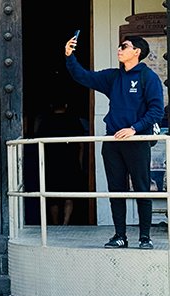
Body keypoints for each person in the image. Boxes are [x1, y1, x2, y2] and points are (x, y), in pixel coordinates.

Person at [65, 34, 164, 249]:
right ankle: (120, 236)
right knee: (115, 189)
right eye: (119, 46)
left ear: (137, 51)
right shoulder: (114, 77)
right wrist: (70, 56)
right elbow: (83, 76)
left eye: (124, 46)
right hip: (112, 141)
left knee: (142, 189)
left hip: (138, 142)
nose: (119, 49)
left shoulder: (149, 78)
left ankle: (145, 237)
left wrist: (134, 129)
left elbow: (157, 111)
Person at [33, 102, 88, 225]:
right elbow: (81, 144)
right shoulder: (73, 121)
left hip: (51, 162)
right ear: (66, 105)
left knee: (53, 196)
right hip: (70, 161)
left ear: (51, 106)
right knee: (69, 194)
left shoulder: (46, 121)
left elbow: (38, 140)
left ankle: (55, 223)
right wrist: (80, 162)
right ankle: (66, 223)